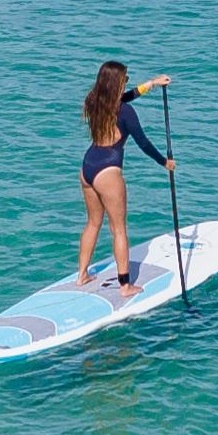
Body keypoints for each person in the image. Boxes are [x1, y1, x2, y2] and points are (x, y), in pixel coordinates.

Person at [76, 59, 174, 293]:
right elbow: (143, 142)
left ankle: (82, 276)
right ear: (116, 83)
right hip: (108, 173)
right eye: (125, 79)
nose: (127, 83)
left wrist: (151, 84)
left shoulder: (93, 101)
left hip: (87, 168)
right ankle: (125, 285)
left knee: (92, 223)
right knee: (118, 229)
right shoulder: (126, 112)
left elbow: (125, 97)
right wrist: (164, 162)